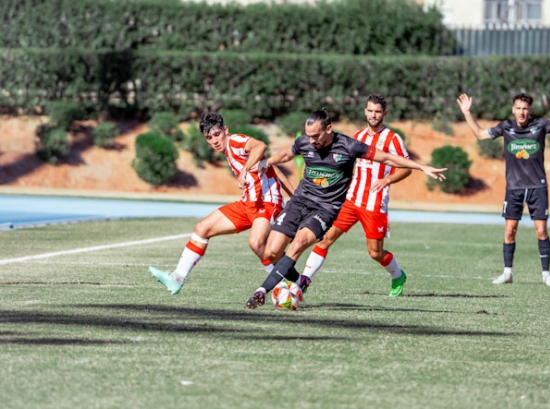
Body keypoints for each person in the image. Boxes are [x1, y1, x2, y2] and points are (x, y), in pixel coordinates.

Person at [244, 108, 447, 309]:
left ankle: (261, 291)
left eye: (316, 136)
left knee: (299, 244)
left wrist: (421, 167)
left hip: (325, 208)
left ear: (329, 129)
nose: (311, 140)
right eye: (309, 136)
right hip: (299, 201)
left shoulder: (349, 145)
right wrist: (266, 162)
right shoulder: (304, 141)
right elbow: (287, 154)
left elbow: (386, 158)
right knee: (271, 251)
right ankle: (296, 281)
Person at [148, 112, 294, 294]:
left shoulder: (236, 141)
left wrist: (244, 171)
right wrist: (295, 195)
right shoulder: (227, 150)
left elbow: (261, 146)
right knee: (202, 228)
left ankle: (284, 285)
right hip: (247, 203)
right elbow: (270, 167)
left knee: (256, 243)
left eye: (217, 134)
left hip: (266, 202)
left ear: (225, 130)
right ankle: (177, 278)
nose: (214, 140)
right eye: (209, 137)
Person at [456, 91, 550, 287]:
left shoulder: (541, 125)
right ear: (513, 109)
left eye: (525, 108)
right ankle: (507, 273)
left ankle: (546, 274)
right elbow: (480, 134)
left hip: (538, 186)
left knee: (541, 230)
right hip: (514, 188)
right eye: (518, 108)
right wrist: (467, 113)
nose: (521, 112)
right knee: (510, 230)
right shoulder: (505, 127)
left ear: (530, 110)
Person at [299, 94, 413, 297]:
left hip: (374, 203)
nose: (373, 115)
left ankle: (397, 275)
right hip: (350, 200)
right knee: (325, 239)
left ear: (384, 113)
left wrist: (387, 180)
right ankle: (303, 282)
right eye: (370, 110)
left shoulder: (393, 139)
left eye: (377, 111)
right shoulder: (357, 136)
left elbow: (407, 167)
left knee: (375, 253)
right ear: (365, 111)